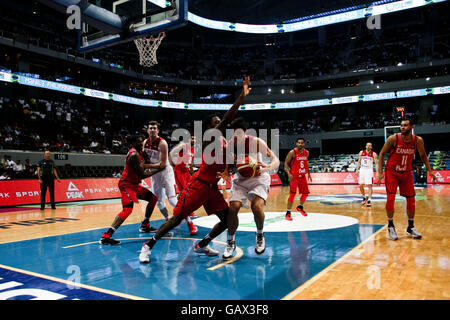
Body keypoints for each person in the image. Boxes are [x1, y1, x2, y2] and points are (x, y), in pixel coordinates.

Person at [139, 76, 251, 263]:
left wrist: (240, 167)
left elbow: (227, 163)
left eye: (218, 123)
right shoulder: (208, 137)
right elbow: (226, 119)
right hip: (198, 185)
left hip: (212, 188)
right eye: (215, 122)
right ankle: (147, 246)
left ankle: (202, 245)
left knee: (226, 220)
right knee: (176, 219)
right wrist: (241, 98)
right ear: (209, 127)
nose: (219, 124)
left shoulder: (223, 142)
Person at [223, 117, 280, 259]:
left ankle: (260, 234)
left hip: (258, 177)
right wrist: (225, 172)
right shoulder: (231, 144)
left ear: (245, 132)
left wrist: (269, 167)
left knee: (256, 207)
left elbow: (276, 160)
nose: (237, 137)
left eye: (239, 134)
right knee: (233, 208)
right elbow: (228, 164)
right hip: (241, 179)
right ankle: (230, 241)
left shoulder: (256, 142)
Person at [376, 117, 437, 240]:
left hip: (406, 173)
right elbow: (382, 154)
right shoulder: (393, 138)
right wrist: (380, 172)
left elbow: (423, 156)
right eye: (401, 125)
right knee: (391, 198)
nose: (402, 127)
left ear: (412, 127)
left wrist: (430, 171)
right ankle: (391, 226)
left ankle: (410, 227)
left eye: (405, 125)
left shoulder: (418, 140)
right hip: (392, 172)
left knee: (411, 200)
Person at [99, 135, 163, 245]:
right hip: (126, 185)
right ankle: (106, 236)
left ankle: (145, 225)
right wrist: (159, 168)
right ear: (132, 144)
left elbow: (148, 164)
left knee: (153, 199)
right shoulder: (133, 155)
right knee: (127, 209)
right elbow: (142, 174)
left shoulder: (141, 153)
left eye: (141, 142)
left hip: (135, 185)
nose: (141, 144)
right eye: (138, 142)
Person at [141, 121, 197, 235]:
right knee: (159, 202)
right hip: (154, 174)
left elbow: (162, 165)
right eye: (150, 128)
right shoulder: (145, 142)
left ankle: (190, 222)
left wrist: (145, 167)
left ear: (158, 131)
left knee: (172, 200)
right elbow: (145, 158)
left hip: (165, 172)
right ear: (147, 130)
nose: (152, 130)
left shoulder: (162, 143)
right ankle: (168, 221)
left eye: (154, 128)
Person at [284, 138, 312, 220]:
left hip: (302, 176)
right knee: (292, 194)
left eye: (302, 143)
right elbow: (286, 163)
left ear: (304, 144)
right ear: (296, 143)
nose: (300, 144)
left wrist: (309, 173)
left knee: (306, 193)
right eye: (299, 143)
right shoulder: (292, 152)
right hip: (294, 176)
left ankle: (300, 207)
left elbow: (305, 163)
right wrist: (289, 174)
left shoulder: (306, 152)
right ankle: (288, 213)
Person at [355, 142, 378, 207]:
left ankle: (369, 200)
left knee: (369, 185)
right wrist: (357, 169)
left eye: (370, 145)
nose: (368, 146)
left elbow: (376, 164)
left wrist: (377, 172)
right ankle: (364, 197)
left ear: (371, 147)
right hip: (362, 169)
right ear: (365, 146)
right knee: (360, 185)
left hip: (369, 170)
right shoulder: (361, 152)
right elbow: (359, 161)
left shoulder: (373, 154)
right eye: (367, 145)